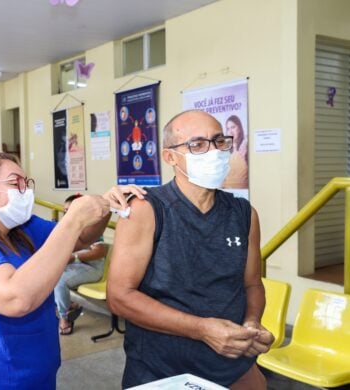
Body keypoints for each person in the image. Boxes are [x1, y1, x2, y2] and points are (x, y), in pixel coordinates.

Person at [0, 152, 145, 389]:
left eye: (26, 183)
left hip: (38, 374)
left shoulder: (24, 230)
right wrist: (73, 218)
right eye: (14, 183)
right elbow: (16, 299)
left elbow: (80, 237)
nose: (25, 191)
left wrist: (105, 207)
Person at [107, 110, 273, 389]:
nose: (213, 151)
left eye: (219, 141)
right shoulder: (146, 209)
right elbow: (120, 297)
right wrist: (203, 330)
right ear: (170, 157)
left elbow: (252, 285)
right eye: (197, 145)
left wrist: (252, 323)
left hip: (230, 365)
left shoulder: (245, 214)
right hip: (161, 368)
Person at [54, 194, 108, 335]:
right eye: (64, 210)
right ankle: (68, 305)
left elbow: (100, 252)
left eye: (70, 210)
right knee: (47, 274)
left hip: (92, 268)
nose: (66, 214)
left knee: (59, 282)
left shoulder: (91, 226)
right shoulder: (65, 227)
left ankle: (64, 318)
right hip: (75, 266)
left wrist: (74, 257)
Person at [222, 115, 248, 189]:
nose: (230, 132)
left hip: (243, 193)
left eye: (233, 127)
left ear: (239, 128)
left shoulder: (245, 146)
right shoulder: (224, 149)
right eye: (228, 128)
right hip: (226, 194)